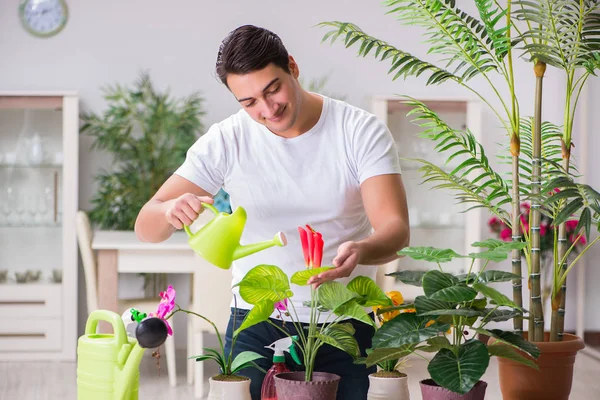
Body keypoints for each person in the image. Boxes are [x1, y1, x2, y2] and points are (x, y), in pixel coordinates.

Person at [135, 24, 410, 400]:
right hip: (257, 322)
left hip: (343, 322)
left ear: (292, 67)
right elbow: (146, 226)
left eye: (272, 89)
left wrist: (361, 250)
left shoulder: (358, 131)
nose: (267, 109)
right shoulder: (227, 139)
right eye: (249, 103)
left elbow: (395, 230)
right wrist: (168, 209)